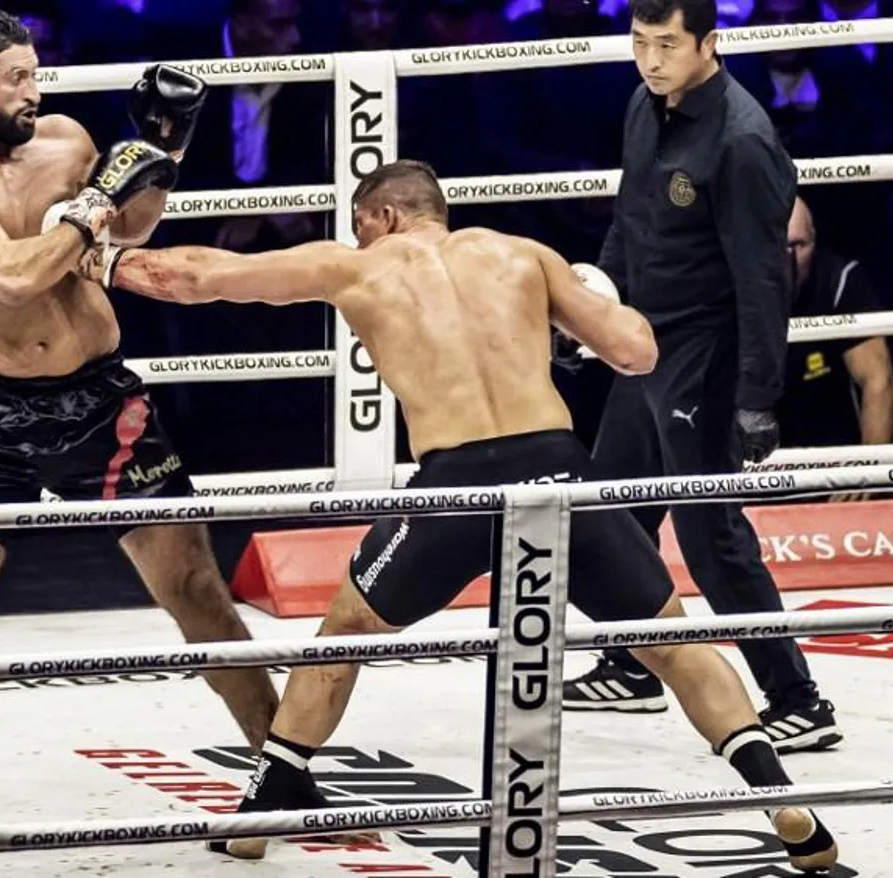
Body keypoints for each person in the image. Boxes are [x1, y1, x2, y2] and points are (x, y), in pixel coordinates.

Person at [79, 159, 839, 872]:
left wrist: (95, 255)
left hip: (456, 486)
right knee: (672, 643)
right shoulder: (524, 255)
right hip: (559, 470)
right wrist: (592, 303)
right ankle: (780, 798)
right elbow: (636, 353)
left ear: (380, 216)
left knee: (345, 635)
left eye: (358, 225)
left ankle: (264, 807)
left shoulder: (358, 266)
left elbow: (196, 276)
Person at [0, 10, 279, 833]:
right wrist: (97, 198)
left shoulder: (67, 140)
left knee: (195, 589)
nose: (34, 91)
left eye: (37, 73)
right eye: (16, 78)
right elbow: (11, 277)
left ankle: (281, 779)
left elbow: (130, 228)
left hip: (101, 401)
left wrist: (166, 152)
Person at [558, 0, 842, 755]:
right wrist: (596, 317)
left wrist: (757, 395)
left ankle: (797, 698)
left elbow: (764, 278)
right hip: (647, 341)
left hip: (707, 353)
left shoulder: (743, 140)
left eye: (667, 44)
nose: (651, 59)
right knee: (613, 509)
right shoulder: (644, 105)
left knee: (708, 530)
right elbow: (630, 220)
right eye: (640, 42)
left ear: (709, 43)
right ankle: (631, 663)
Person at [779, 197, 893, 475]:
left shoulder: (838, 281)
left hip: (836, 469)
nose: (788, 259)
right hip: (757, 472)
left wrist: (868, 474)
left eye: (799, 245)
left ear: (815, 241)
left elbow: (879, 382)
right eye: (776, 244)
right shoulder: (726, 289)